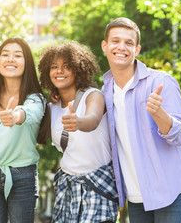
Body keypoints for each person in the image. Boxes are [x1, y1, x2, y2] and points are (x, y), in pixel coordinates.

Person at [101, 17, 181, 223]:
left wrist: (159, 114)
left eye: (129, 43)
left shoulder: (160, 82)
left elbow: (180, 136)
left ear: (137, 49)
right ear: (105, 46)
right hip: (137, 196)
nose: (122, 47)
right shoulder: (106, 90)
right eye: (115, 41)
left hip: (173, 190)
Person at [38, 41, 118, 223]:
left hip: (98, 186)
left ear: (78, 69)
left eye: (67, 66)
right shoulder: (52, 107)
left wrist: (78, 122)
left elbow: (93, 119)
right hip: (67, 186)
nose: (59, 71)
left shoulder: (93, 95)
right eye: (54, 67)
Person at [0, 38, 46, 223]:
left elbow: (29, 113)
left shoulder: (36, 98)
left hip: (22, 176)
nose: (10, 59)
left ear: (27, 63)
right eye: (5, 54)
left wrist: (15, 116)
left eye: (17, 55)